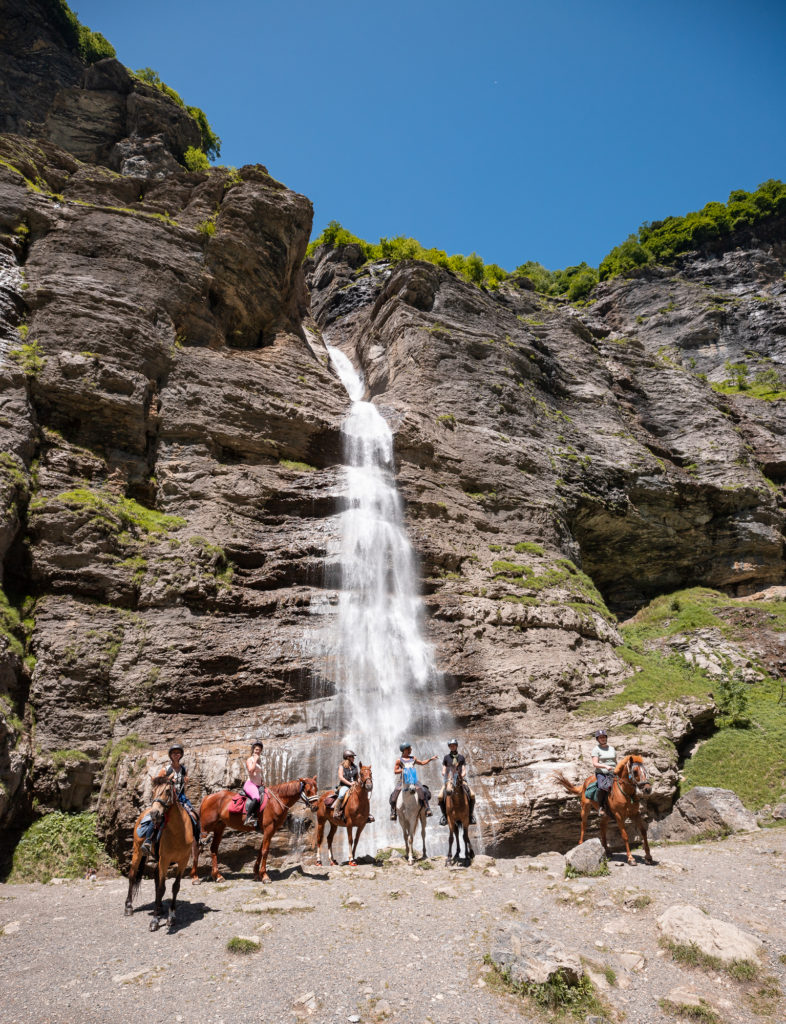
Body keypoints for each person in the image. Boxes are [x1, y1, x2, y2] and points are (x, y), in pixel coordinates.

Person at [138, 742, 199, 856]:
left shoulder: (183, 769)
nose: (176, 755)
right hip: (167, 797)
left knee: (194, 815)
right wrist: (168, 779)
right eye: (174, 753)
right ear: (170, 755)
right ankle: (147, 841)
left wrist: (185, 783)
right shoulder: (165, 769)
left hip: (181, 797)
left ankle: (198, 839)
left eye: (178, 753)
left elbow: (182, 786)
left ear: (181, 755)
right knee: (156, 816)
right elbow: (158, 783)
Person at [389, 742, 438, 821]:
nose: (410, 750)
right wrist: (404, 770)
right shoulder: (399, 760)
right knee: (394, 795)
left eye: (410, 749)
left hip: (414, 780)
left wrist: (430, 759)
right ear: (405, 750)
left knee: (423, 791)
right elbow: (395, 771)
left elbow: (422, 763)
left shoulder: (413, 758)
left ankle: (427, 808)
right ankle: (393, 811)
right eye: (409, 749)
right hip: (403, 781)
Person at [437, 738, 476, 825]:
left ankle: (470, 815)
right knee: (440, 796)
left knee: (472, 794)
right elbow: (443, 771)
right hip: (449, 781)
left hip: (460, 781)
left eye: (454, 745)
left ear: (456, 746)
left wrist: (460, 776)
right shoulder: (446, 758)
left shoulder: (461, 757)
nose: (452, 747)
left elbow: (464, 770)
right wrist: (447, 776)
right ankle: (444, 816)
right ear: (449, 747)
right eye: (451, 746)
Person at [591, 729, 616, 810]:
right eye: (600, 737)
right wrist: (605, 766)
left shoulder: (612, 748)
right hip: (602, 773)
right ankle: (601, 806)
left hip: (613, 771)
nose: (603, 739)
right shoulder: (596, 749)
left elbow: (615, 761)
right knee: (602, 787)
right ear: (598, 739)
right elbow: (595, 763)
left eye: (604, 737)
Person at [243, 740, 265, 827]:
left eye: (259, 750)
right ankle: (248, 817)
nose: (258, 751)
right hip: (250, 784)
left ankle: (257, 817)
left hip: (258, 785)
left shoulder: (259, 761)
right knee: (256, 798)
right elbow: (251, 771)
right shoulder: (250, 759)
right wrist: (255, 760)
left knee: (266, 797)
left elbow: (258, 773)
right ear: (253, 750)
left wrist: (261, 781)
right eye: (256, 749)